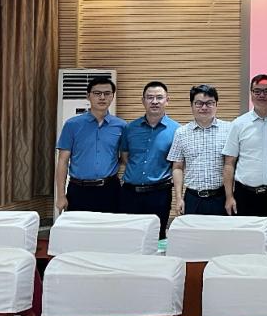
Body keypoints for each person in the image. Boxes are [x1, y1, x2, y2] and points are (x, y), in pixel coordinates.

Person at [222, 74, 267, 226]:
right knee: (246, 238)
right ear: (251, 94)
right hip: (245, 195)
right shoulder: (238, 124)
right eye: (257, 91)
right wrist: (229, 197)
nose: (262, 95)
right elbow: (229, 163)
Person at [54, 76, 126, 213]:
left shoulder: (121, 126)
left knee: (111, 225)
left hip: (110, 189)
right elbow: (63, 161)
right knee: (79, 226)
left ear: (112, 96)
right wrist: (61, 196)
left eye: (107, 93)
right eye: (97, 93)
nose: (102, 97)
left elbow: (124, 158)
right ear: (88, 96)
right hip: (79, 190)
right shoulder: (72, 125)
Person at [119, 81, 180, 238]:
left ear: (167, 100)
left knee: (156, 237)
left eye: (159, 97)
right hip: (130, 194)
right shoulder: (130, 128)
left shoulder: (177, 130)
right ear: (143, 101)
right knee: (129, 237)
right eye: (150, 97)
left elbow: (177, 165)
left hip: (159, 194)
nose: (154, 101)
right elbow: (125, 157)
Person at [168, 85, 232, 216]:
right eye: (199, 103)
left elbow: (231, 165)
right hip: (192, 198)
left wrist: (230, 197)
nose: (204, 107)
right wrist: (179, 198)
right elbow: (177, 167)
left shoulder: (229, 130)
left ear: (216, 105)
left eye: (209, 103)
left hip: (220, 197)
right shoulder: (181, 133)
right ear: (191, 105)